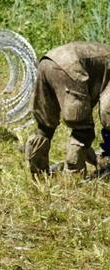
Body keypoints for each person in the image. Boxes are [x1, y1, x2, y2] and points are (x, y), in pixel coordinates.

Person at [24, 42, 110, 176]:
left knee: (45, 127)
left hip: (47, 61)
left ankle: (38, 173)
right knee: (83, 131)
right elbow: (107, 111)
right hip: (72, 67)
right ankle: (72, 177)